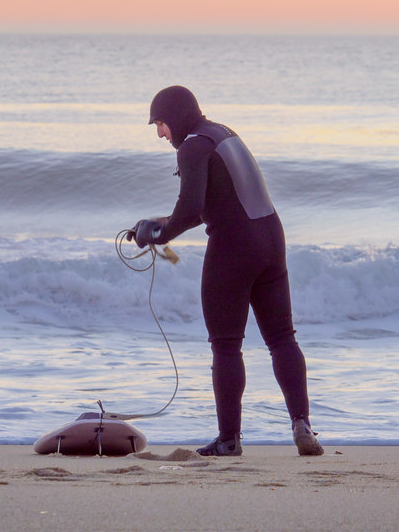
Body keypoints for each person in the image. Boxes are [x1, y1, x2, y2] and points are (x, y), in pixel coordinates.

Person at [129, 85, 323, 457]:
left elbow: (189, 211)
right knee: (282, 338)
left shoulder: (191, 147)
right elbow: (215, 200)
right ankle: (302, 423)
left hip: (235, 247)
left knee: (225, 344)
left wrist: (155, 233)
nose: (160, 134)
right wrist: (156, 225)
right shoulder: (223, 134)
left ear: (177, 116)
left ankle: (228, 440)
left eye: (161, 123)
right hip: (271, 238)